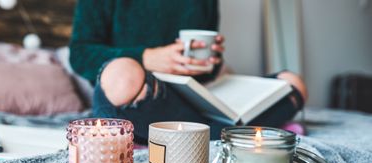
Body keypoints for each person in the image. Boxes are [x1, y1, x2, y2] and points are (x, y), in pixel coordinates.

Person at [69, 0, 307, 144]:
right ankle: (225, 132)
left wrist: (210, 61)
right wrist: (148, 57)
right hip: (146, 96)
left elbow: (206, 69)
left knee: (292, 83)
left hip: (191, 96)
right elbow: (79, 54)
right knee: (122, 73)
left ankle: (205, 132)